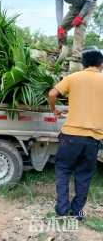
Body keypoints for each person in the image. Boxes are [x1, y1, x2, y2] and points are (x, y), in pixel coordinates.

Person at [48, 49, 103, 220]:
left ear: (83, 64)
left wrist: (54, 110)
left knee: (63, 170)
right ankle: (77, 212)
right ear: (101, 64)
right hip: (93, 139)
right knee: (84, 176)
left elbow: (52, 93)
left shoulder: (74, 77)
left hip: (70, 135)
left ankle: (62, 209)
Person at [55, 0, 96, 72]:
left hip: (89, 4)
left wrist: (80, 17)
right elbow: (59, 9)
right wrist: (60, 26)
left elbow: (89, 0)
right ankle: (63, 51)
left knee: (80, 26)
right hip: (75, 7)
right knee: (61, 29)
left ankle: (76, 56)